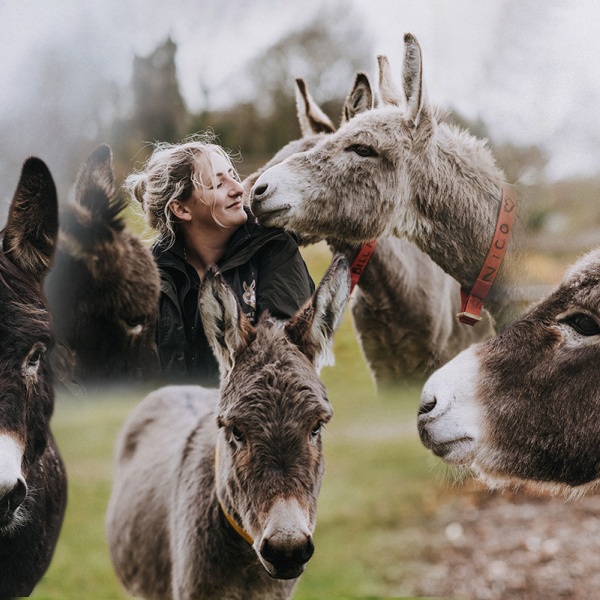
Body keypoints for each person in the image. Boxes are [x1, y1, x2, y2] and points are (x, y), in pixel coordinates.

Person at [126, 136, 315, 384]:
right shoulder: (150, 280)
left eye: (231, 175)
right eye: (218, 184)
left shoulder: (274, 246)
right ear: (181, 209)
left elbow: (285, 354)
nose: (238, 189)